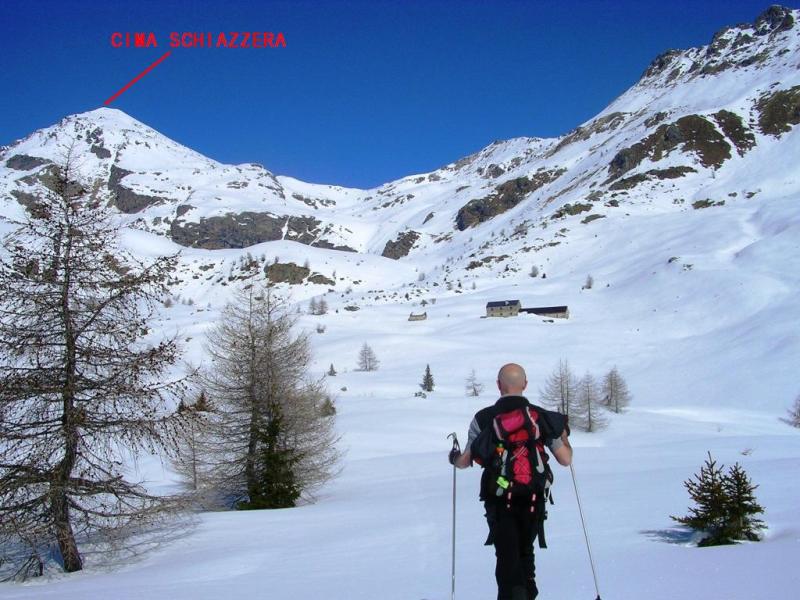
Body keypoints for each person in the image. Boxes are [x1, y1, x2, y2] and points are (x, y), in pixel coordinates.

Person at [449, 363, 572, 600]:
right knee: (526, 554)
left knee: (507, 560)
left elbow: (465, 461)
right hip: (534, 499)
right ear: (525, 384)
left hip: (499, 499)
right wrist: (564, 436)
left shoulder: (484, 418)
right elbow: (565, 459)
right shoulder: (539, 417)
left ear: (498, 385)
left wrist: (453, 457)